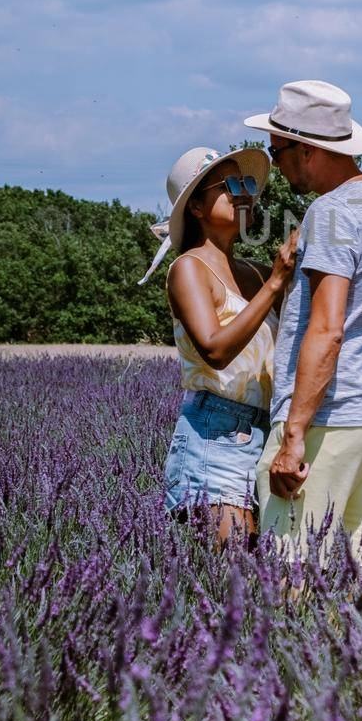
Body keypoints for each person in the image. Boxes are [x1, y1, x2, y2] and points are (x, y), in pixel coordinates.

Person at [244, 80, 362, 572]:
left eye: (278, 153)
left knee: (289, 577)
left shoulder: (332, 212)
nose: (274, 166)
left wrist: (294, 436)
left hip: (328, 422)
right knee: (349, 586)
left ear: (308, 150)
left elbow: (328, 329)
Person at [139, 146, 297, 545]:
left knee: (265, 572)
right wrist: (277, 283)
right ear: (195, 206)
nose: (244, 195)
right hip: (215, 434)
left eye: (247, 185)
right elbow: (214, 349)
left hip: (268, 433)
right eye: (230, 186)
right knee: (230, 573)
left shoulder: (256, 272)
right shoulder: (189, 268)